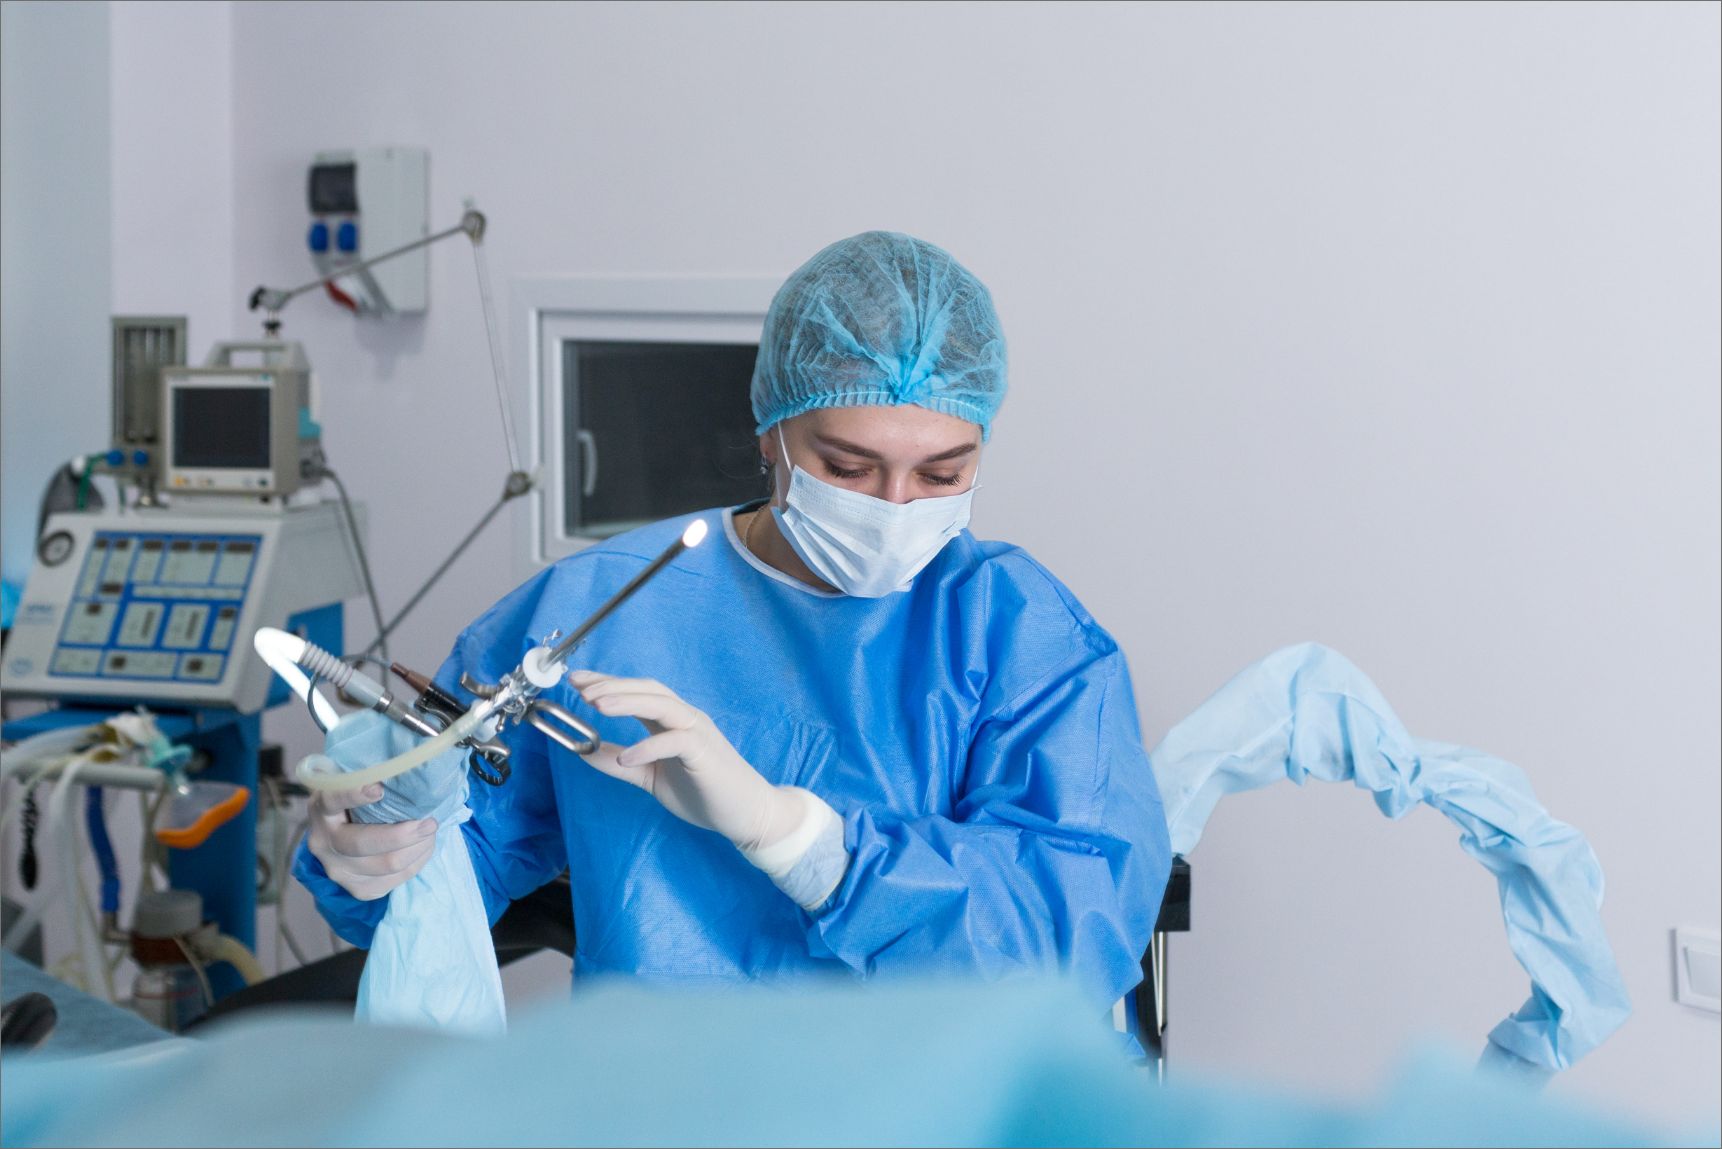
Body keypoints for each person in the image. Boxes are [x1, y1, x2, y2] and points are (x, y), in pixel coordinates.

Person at [294, 231, 1172, 1012]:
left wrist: (798, 839)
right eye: (849, 466)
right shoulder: (598, 609)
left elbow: (1067, 933)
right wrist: (373, 844)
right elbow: (445, 864)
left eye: (943, 475)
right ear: (772, 434)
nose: (896, 507)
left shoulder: (1022, 637)